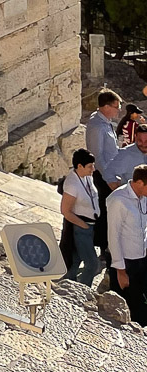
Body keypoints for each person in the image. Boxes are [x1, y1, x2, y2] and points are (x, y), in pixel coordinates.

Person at [85, 88, 125, 260]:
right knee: (106, 211)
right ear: (106, 106)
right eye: (116, 107)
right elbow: (97, 156)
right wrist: (109, 179)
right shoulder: (96, 125)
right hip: (103, 175)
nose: (118, 111)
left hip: (110, 171)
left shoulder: (105, 122)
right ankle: (103, 247)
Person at [106, 163, 147, 324]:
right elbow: (113, 236)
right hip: (125, 264)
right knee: (127, 307)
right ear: (139, 183)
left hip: (141, 259)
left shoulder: (143, 198)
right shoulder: (118, 200)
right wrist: (120, 271)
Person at [60, 148, 102, 285]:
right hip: (82, 228)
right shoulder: (72, 184)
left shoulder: (86, 177)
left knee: (75, 261)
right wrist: (83, 226)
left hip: (90, 226)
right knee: (92, 264)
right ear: (79, 166)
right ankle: (83, 291)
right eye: (90, 166)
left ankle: (68, 286)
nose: (93, 169)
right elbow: (66, 211)